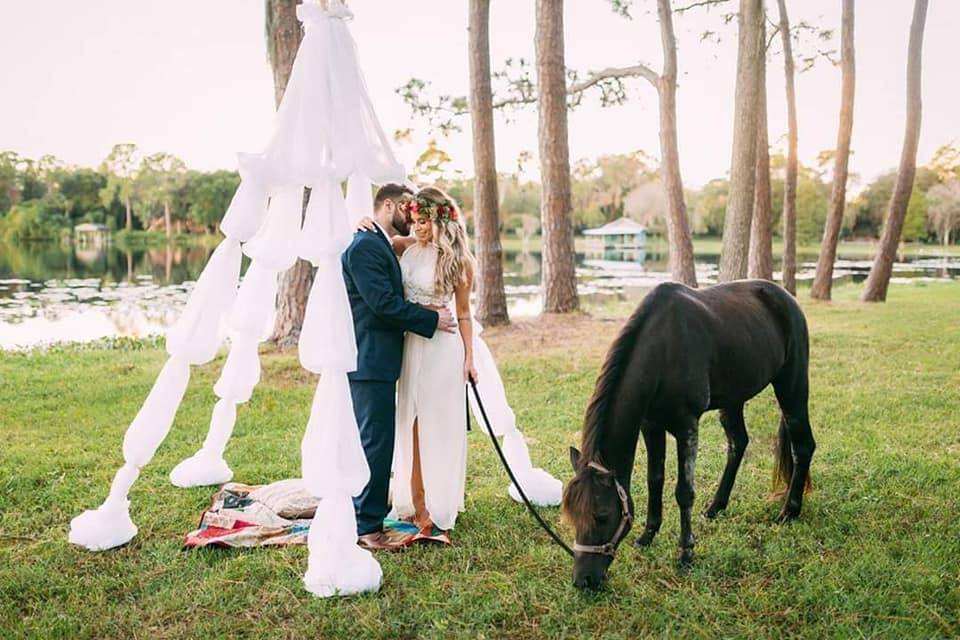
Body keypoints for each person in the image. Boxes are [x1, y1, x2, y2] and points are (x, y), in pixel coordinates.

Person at [341, 183, 457, 551]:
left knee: (378, 440)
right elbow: (384, 305)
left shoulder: (378, 241)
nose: (411, 216)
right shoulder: (364, 247)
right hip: (369, 358)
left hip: (384, 359)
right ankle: (368, 528)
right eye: (406, 208)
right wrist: (431, 319)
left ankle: (367, 514)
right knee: (376, 443)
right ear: (387, 204)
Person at [358, 186, 477, 535]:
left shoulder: (460, 262)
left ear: (442, 220)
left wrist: (471, 358)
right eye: (414, 219)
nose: (417, 227)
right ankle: (414, 498)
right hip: (411, 346)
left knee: (437, 424)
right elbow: (378, 240)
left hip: (442, 348)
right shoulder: (406, 248)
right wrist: (364, 220)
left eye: (424, 221)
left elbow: (465, 314)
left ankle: (434, 504)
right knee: (410, 421)